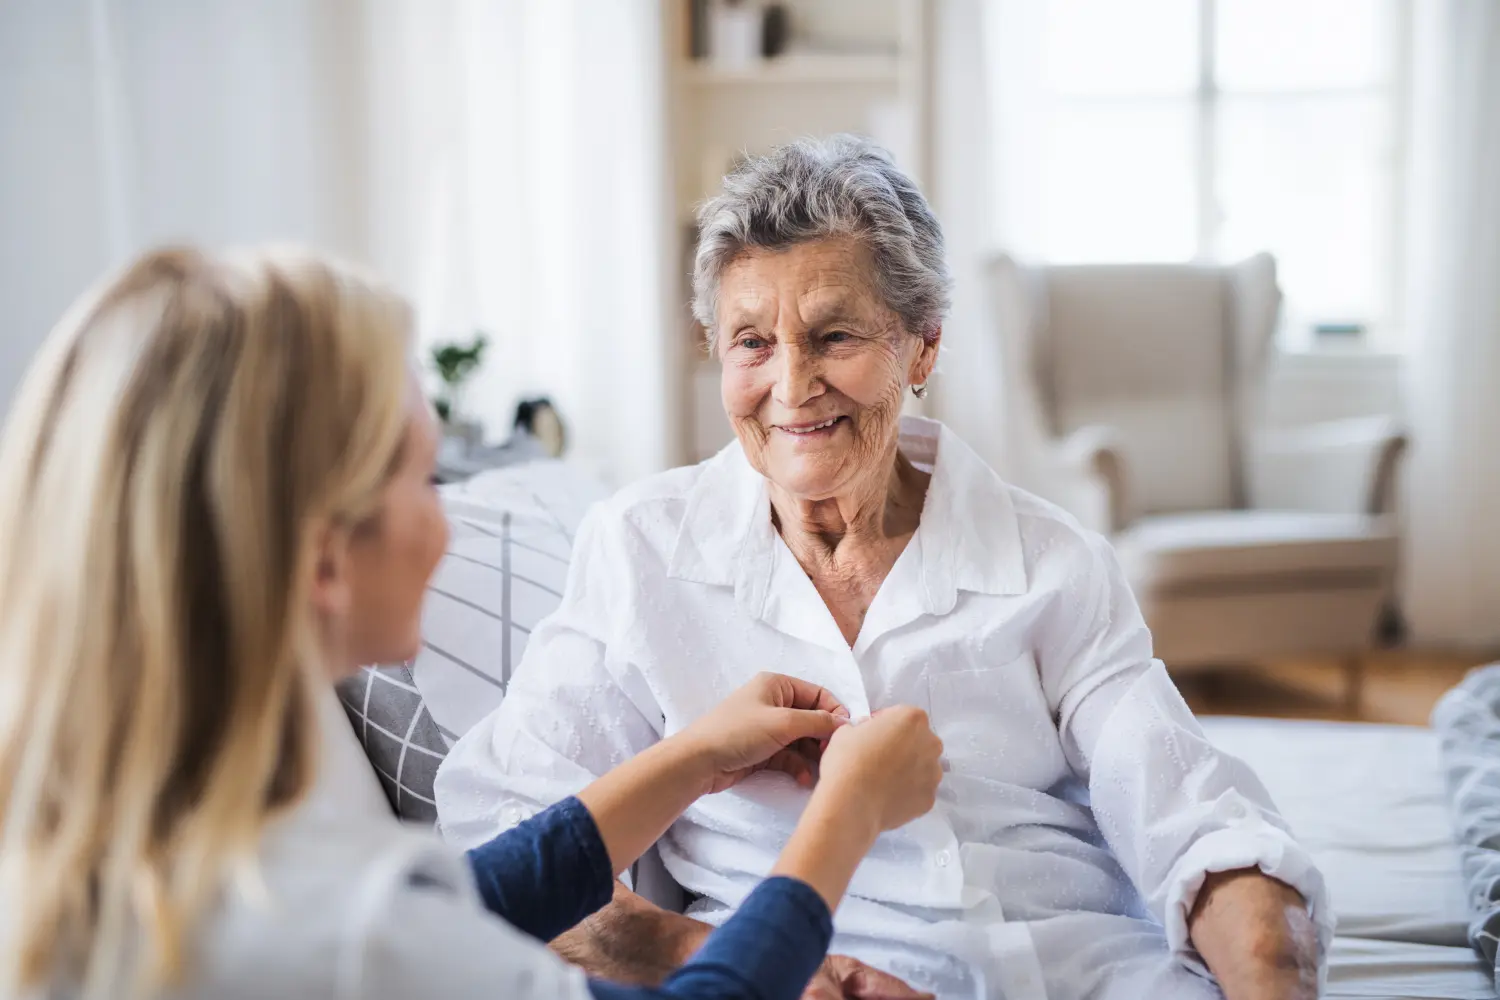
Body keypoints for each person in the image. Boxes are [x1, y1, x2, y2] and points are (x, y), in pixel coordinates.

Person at [435, 136, 1332, 1000]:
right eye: (752, 342)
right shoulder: (640, 549)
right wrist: (705, 955)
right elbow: (506, 829)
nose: (791, 385)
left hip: (1077, 970)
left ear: (923, 347)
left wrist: (1264, 960)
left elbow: (1194, 819)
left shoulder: (1051, 561)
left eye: (834, 337)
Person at [0, 246, 947, 1000]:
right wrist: (845, 815)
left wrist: (692, 757)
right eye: (423, 476)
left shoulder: (144, 861)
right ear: (326, 558)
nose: (448, 517)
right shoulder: (355, 937)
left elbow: (474, 898)